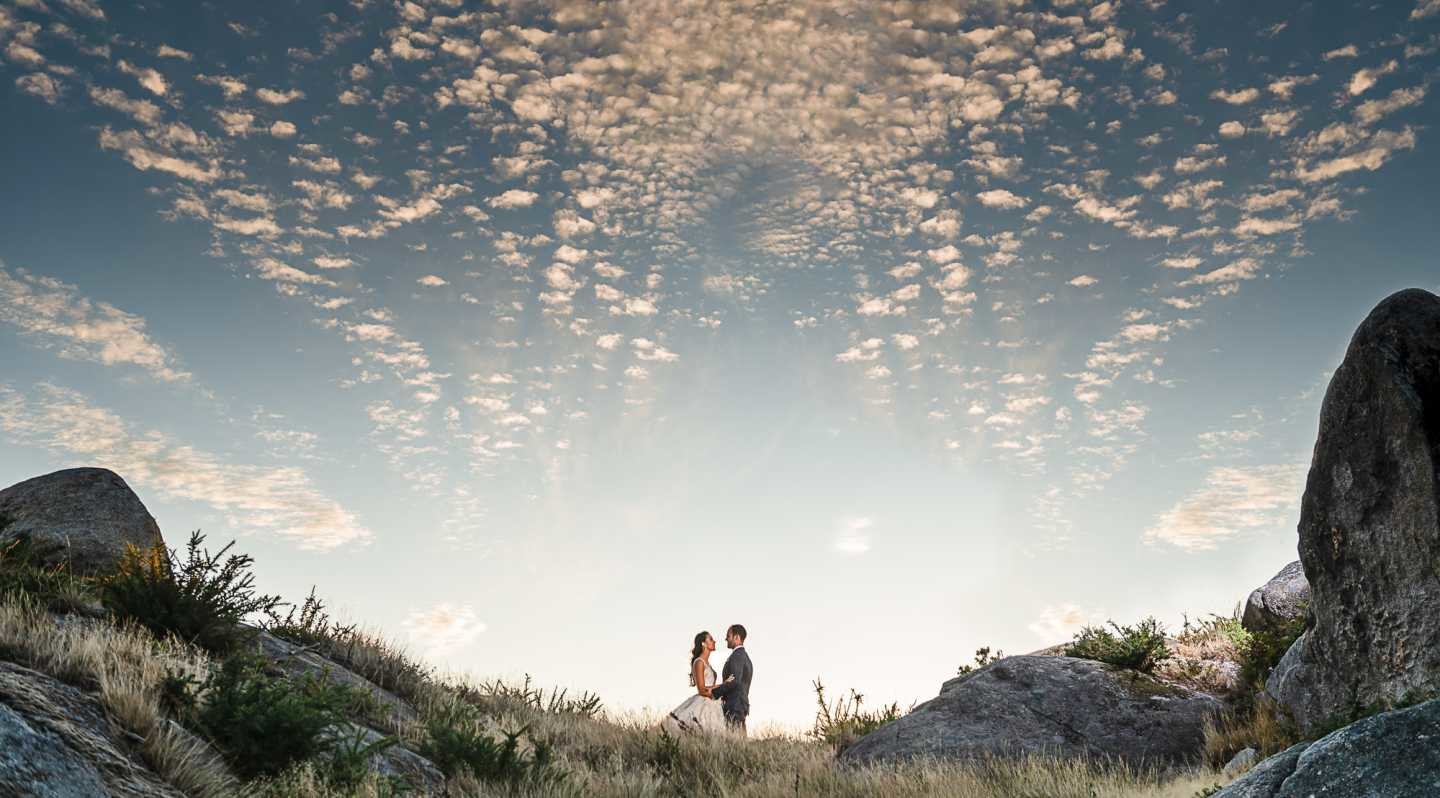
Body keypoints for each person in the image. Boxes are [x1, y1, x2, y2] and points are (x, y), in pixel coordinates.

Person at [660, 631, 728, 735]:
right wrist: (723, 685)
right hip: (702, 703)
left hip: (713, 701)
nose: (714, 641)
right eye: (710, 639)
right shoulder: (699, 662)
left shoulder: (708, 663)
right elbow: (701, 689)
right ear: (703, 644)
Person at [708, 624, 753, 735]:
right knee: (739, 741)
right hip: (738, 705)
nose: (726, 639)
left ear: (737, 637)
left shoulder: (737, 655)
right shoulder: (743, 656)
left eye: (728, 636)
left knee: (735, 741)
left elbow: (734, 680)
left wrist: (714, 693)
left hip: (735, 705)